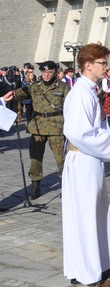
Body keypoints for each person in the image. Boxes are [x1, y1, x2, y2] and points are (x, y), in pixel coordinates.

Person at [62, 43, 110, 286]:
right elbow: (79, 133)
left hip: (91, 159)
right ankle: (87, 272)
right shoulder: (80, 93)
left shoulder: (90, 90)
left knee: (97, 211)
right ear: (88, 66)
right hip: (83, 159)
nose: (106, 67)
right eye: (102, 63)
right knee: (86, 214)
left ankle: (99, 263)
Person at [13, 61, 69, 199]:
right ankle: (35, 185)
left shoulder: (63, 87)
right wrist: (17, 110)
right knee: (35, 159)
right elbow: (16, 95)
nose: (46, 75)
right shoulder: (34, 87)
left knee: (61, 158)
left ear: (55, 72)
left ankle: (66, 185)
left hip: (56, 128)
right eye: (44, 72)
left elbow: (71, 107)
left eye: (49, 72)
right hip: (37, 128)